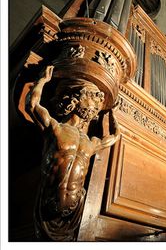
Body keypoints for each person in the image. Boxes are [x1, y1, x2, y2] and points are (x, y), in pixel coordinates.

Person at [26, 65, 120, 241]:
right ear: (75, 101)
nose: (95, 104)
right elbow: (32, 105)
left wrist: (112, 113)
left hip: (72, 212)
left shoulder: (90, 142)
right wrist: (43, 81)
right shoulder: (55, 128)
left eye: (97, 101)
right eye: (91, 97)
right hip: (48, 203)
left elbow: (115, 136)